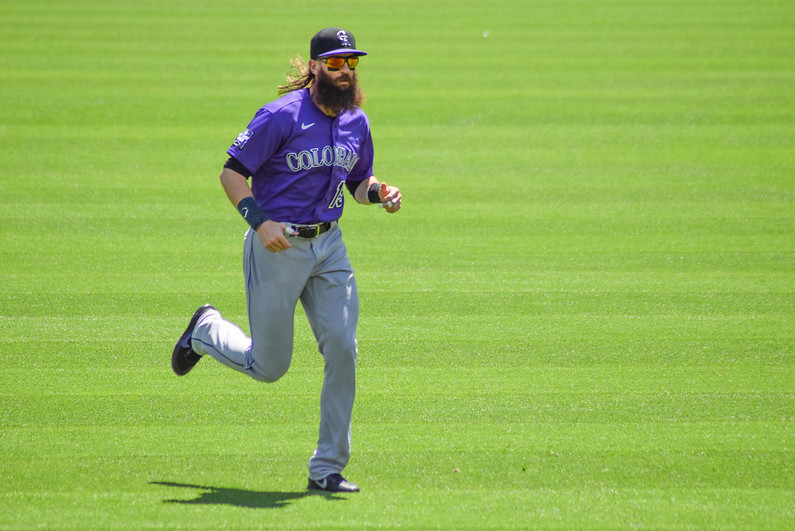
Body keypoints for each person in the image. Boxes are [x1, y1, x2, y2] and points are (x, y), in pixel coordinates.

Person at [171, 27, 401, 493]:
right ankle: (205, 330)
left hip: (329, 246)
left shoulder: (357, 120)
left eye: (351, 63)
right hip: (278, 246)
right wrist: (259, 221)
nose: (345, 72)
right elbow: (232, 174)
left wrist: (379, 192)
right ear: (314, 67)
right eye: (335, 63)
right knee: (269, 366)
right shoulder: (280, 117)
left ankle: (326, 470)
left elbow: (358, 182)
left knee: (343, 346)